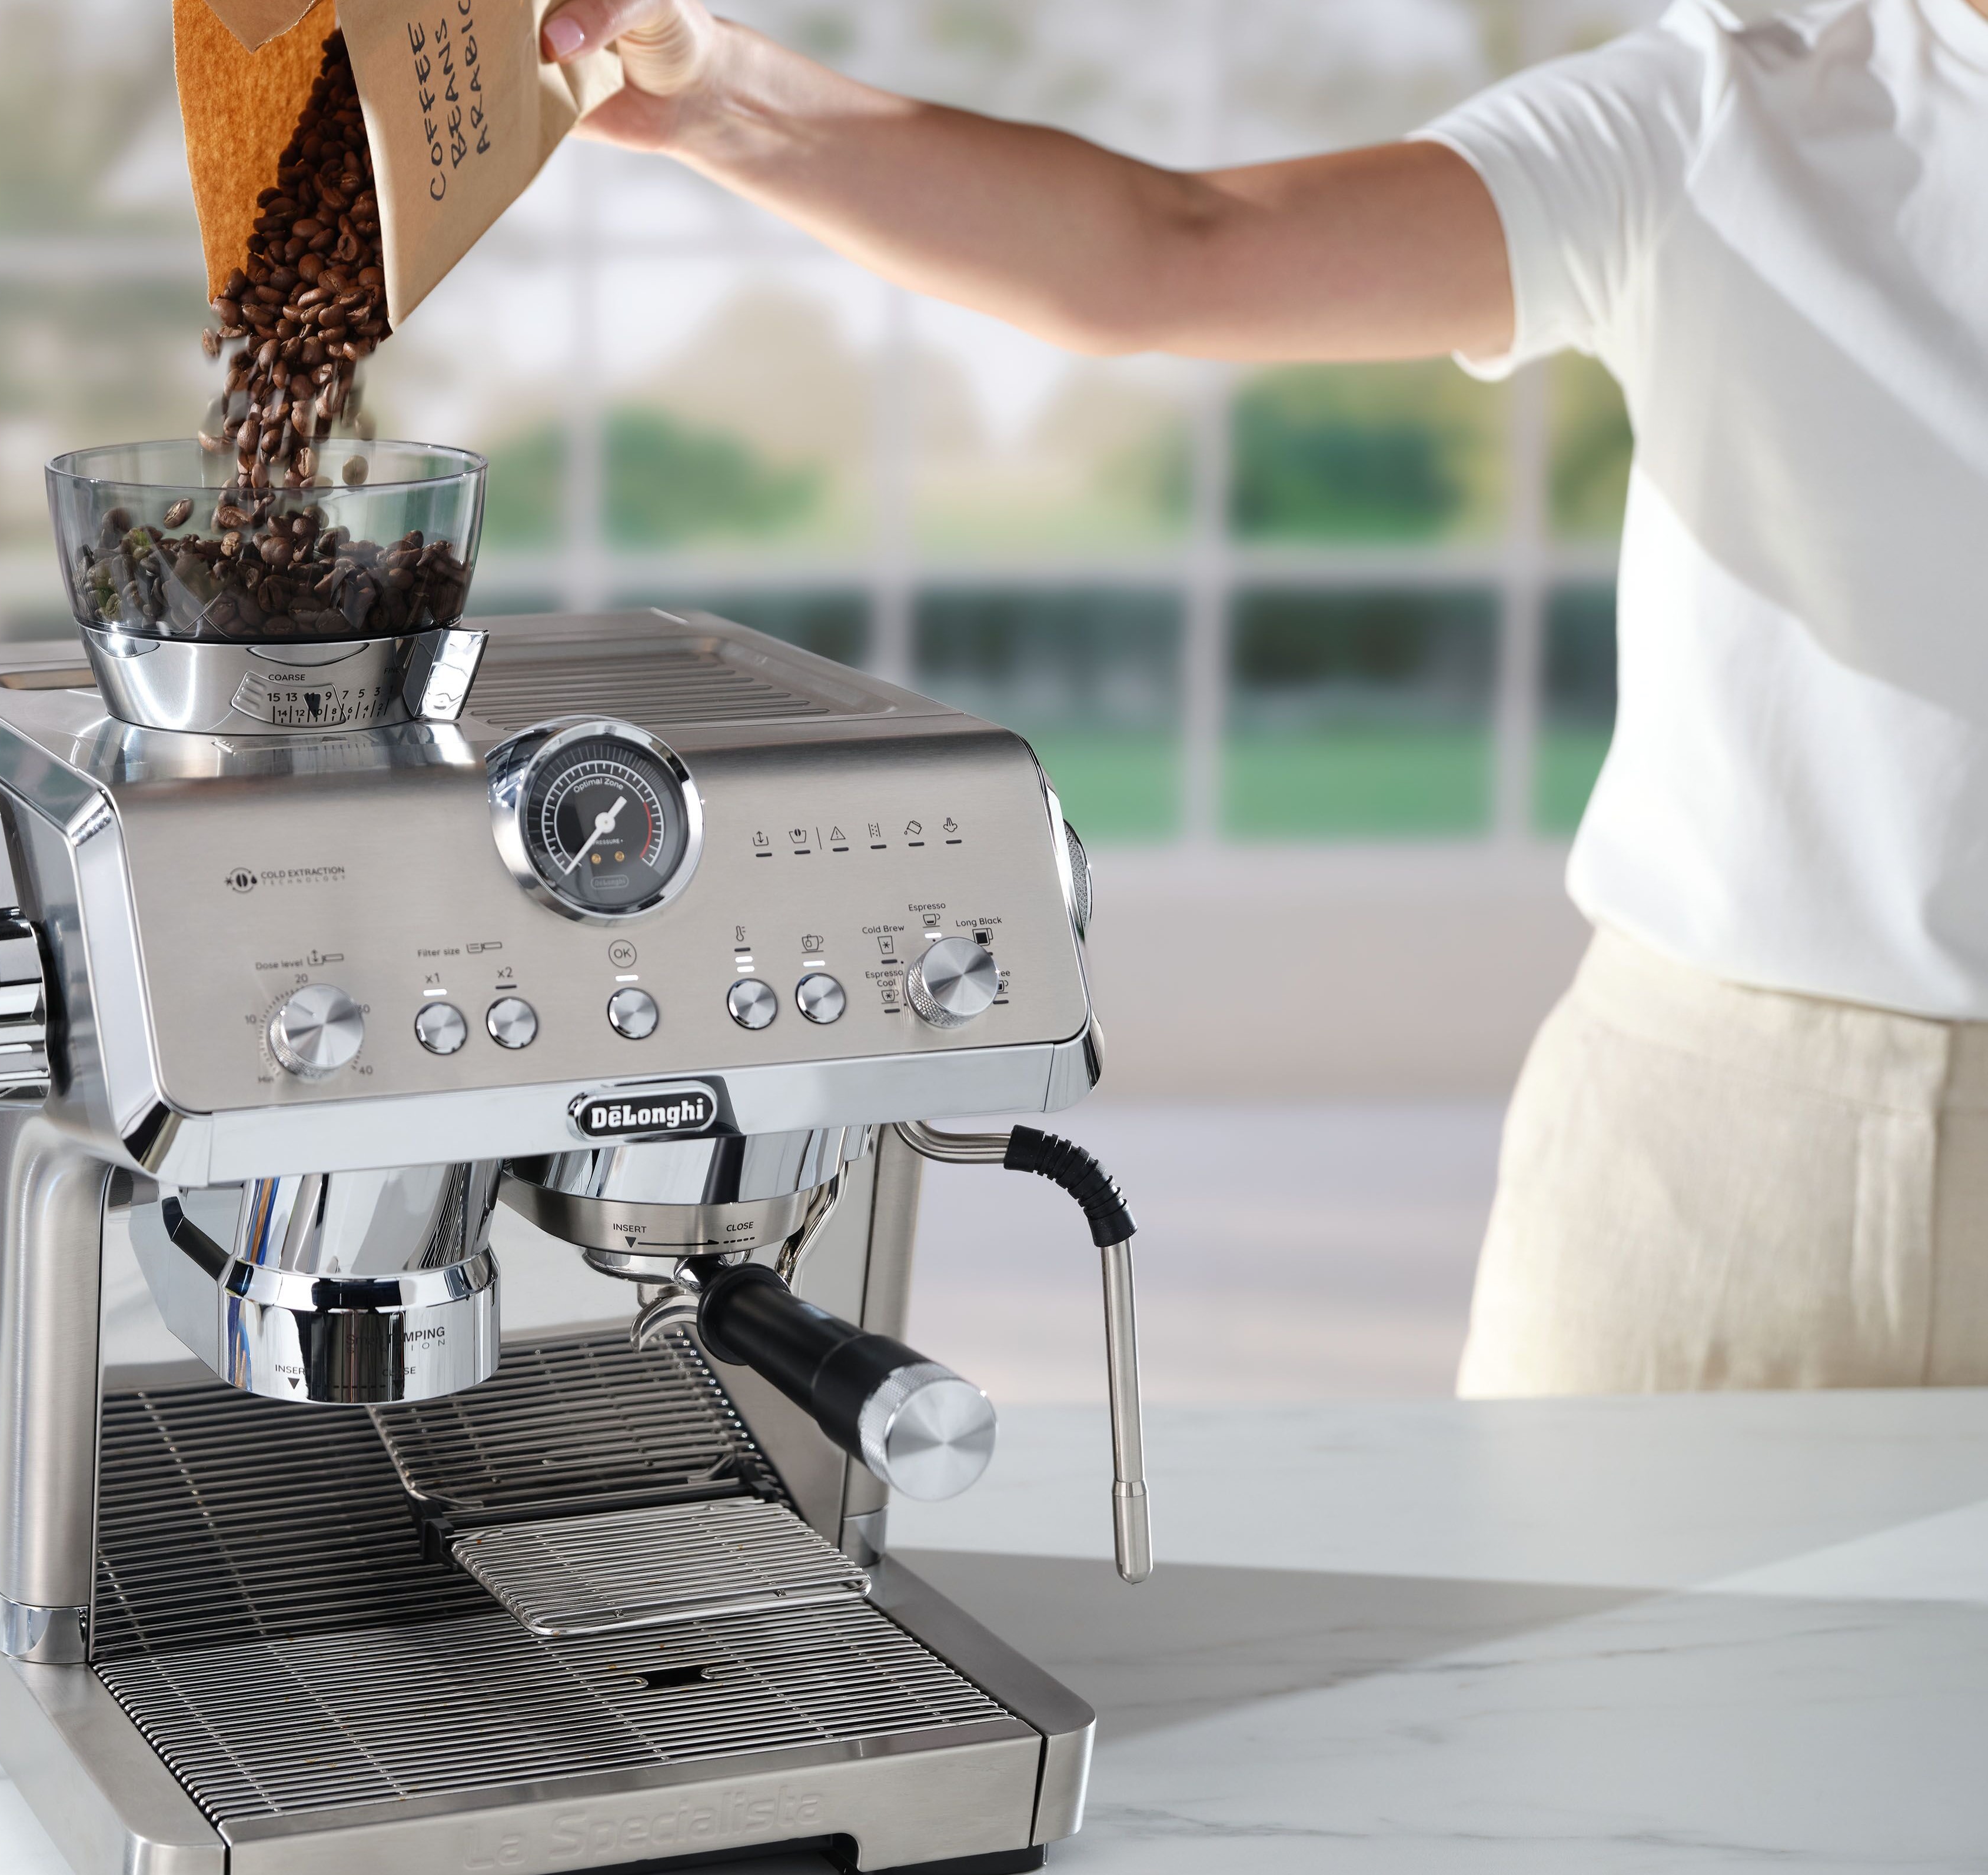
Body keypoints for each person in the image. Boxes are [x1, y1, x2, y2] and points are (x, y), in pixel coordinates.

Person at [535, 0, 1988, 1393]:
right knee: (1598, 1643)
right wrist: (722, 96)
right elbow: (1175, 251)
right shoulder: (1728, 110)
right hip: (1718, 1151)